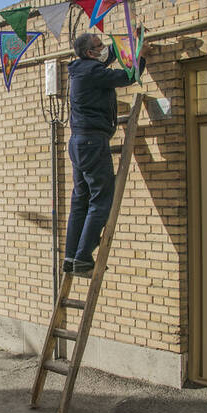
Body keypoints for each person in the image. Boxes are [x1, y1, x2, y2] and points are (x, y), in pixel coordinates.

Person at [64, 32, 147, 277]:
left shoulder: (82, 68)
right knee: (101, 199)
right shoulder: (92, 72)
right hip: (92, 141)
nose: (105, 49)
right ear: (90, 53)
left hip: (79, 142)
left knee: (81, 200)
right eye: (100, 46)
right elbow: (127, 76)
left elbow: (109, 56)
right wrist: (139, 57)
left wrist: (132, 41)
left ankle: (71, 257)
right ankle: (82, 259)